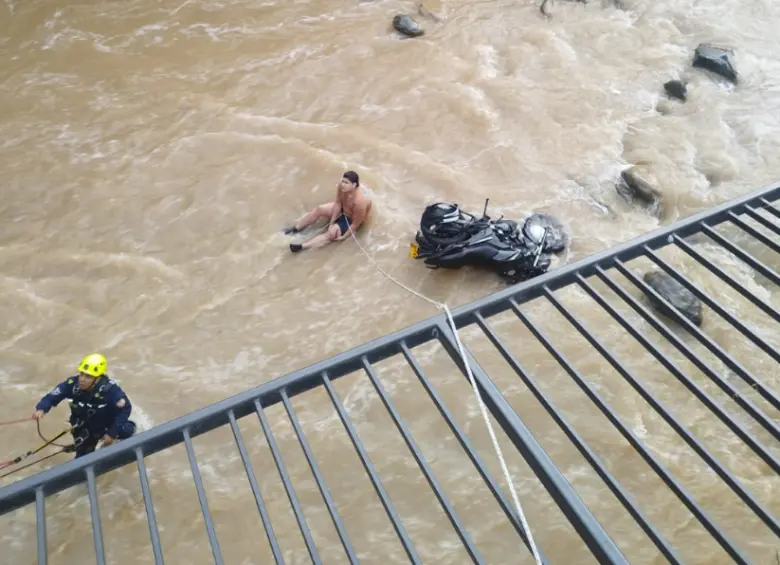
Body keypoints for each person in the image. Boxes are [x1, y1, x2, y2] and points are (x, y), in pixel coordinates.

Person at [33, 353, 137, 458]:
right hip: (84, 428)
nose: (82, 379)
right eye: (81, 374)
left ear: (97, 378)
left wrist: (111, 433)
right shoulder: (72, 384)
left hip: (107, 425)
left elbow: (125, 409)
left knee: (126, 431)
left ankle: (131, 429)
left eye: (88, 376)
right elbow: (53, 395)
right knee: (82, 460)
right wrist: (41, 409)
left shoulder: (110, 390)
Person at [284, 170, 373, 252]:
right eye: (343, 181)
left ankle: (303, 246)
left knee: (331, 233)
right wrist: (331, 222)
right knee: (319, 209)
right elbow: (338, 203)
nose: (343, 184)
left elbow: (356, 224)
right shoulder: (342, 187)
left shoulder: (359, 202)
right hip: (343, 209)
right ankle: (295, 229)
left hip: (351, 219)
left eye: (346, 183)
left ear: (354, 185)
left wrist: (344, 236)